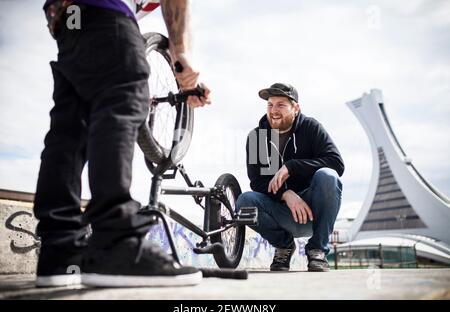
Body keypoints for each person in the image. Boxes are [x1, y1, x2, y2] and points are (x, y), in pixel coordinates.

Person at [34, 0, 210, 288]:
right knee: (123, 97)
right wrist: (181, 58)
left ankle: (60, 251)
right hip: (105, 12)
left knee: (70, 128)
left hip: (70, 18)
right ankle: (115, 242)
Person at [236, 83, 344, 272]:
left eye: (280, 105)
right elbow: (257, 181)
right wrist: (286, 194)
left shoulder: (310, 127)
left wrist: (292, 167)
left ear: (296, 108)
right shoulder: (258, 137)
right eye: (270, 105)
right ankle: (284, 246)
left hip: (313, 211)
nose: (273, 110)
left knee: (328, 176)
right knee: (245, 201)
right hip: (280, 211)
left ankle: (317, 250)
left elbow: (336, 163)